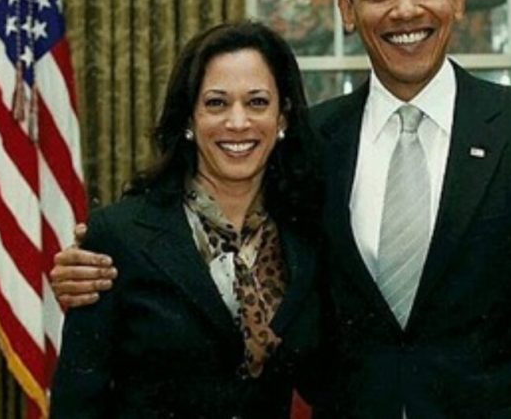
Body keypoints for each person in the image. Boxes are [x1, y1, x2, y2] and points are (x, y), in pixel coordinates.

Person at [51, 0, 511, 417]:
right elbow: (212, 229)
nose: (406, 9)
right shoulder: (313, 142)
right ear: (348, 11)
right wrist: (90, 261)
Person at [50, 21, 321, 418]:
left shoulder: (306, 235)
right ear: (189, 120)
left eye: (257, 102)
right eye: (217, 103)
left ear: (282, 118)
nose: (238, 122)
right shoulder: (119, 235)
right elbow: (77, 402)